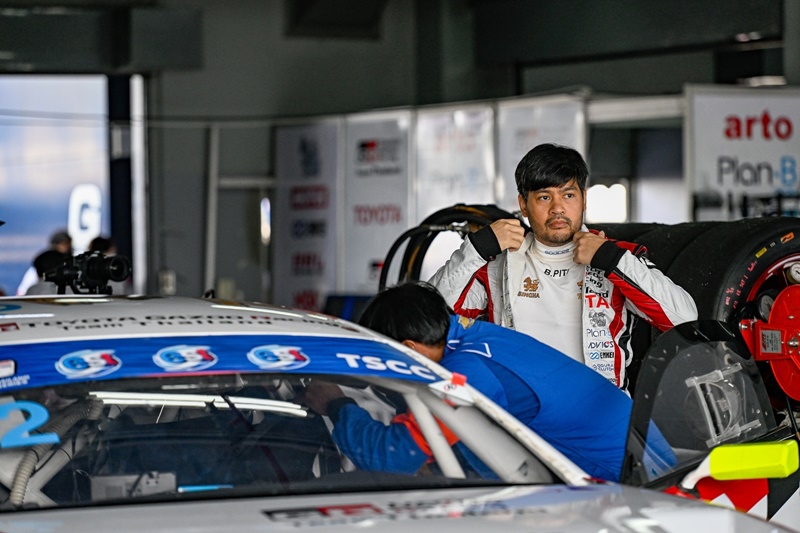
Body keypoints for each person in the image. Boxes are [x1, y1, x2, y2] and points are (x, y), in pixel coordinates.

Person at [303, 282, 665, 482]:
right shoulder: (475, 335)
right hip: (644, 459)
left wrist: (336, 403)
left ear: (410, 348)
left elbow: (394, 455)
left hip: (632, 484)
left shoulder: (467, 372)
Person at [428, 143, 697, 390]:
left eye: (568, 195)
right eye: (544, 197)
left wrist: (610, 259)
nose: (558, 208)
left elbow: (685, 320)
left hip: (599, 411)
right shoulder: (497, 264)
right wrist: (475, 250)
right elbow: (428, 320)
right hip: (520, 414)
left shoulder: (619, 258)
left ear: (584, 199)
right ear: (523, 204)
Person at [16, 230, 73, 295]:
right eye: (64, 244)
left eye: (69, 243)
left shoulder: (73, 264)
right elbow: (22, 293)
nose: (68, 247)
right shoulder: (41, 264)